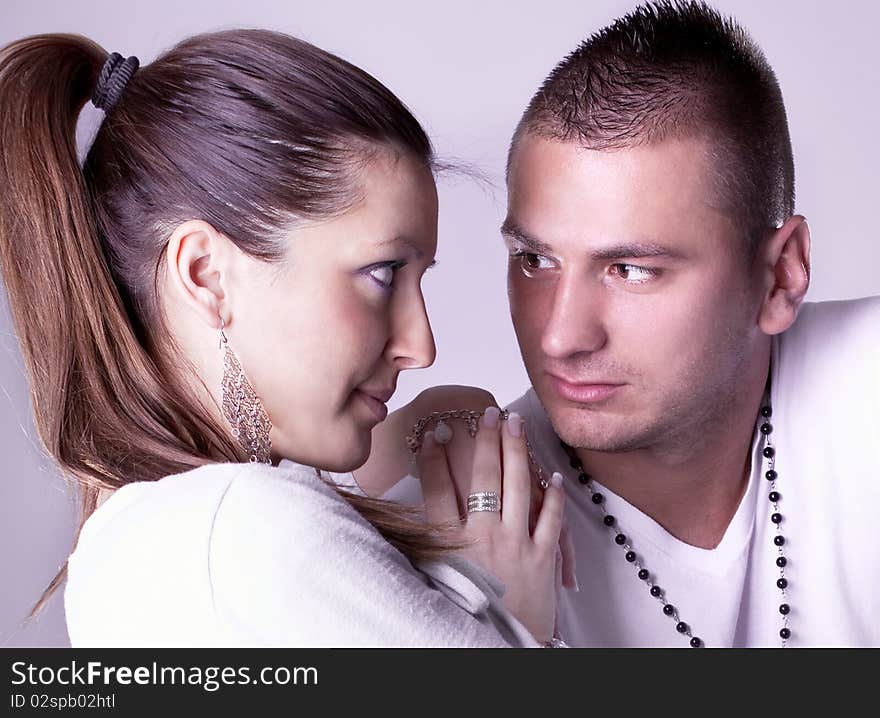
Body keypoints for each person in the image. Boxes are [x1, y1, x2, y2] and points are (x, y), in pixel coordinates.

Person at [0, 29, 567, 647]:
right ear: (206, 275)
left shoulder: (152, 543)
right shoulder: (250, 532)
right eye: (383, 274)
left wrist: (436, 424)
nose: (420, 345)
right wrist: (510, 610)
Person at [366, 1, 880, 647]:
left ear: (781, 275)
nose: (560, 337)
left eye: (630, 269)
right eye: (536, 260)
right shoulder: (449, 530)